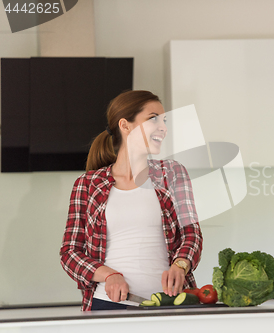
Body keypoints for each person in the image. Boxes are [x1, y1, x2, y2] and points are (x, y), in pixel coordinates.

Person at [60, 90, 202, 311]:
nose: (163, 127)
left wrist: (181, 264)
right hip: (110, 305)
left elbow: (191, 233)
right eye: (153, 118)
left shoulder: (172, 173)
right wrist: (109, 276)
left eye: (164, 120)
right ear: (125, 126)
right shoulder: (87, 184)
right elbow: (70, 252)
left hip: (171, 302)